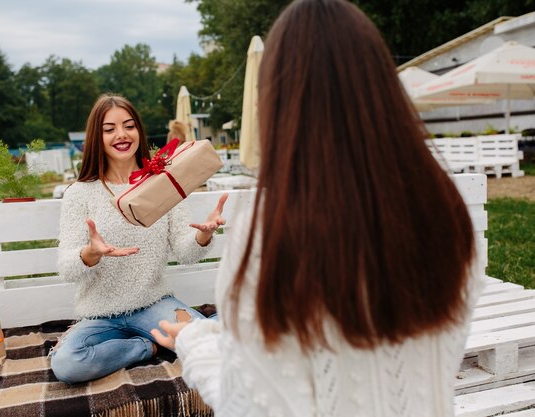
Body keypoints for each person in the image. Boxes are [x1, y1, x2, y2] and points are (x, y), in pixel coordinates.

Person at [151, 0, 484, 416]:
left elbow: (253, 406)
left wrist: (193, 343)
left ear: (276, 102)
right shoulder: (445, 214)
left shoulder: (270, 234)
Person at [50, 94, 227, 384]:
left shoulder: (164, 183)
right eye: (110, 129)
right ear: (98, 137)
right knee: (68, 364)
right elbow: (67, 268)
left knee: (211, 342)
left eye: (129, 126)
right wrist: (91, 253)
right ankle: (148, 346)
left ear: (139, 131)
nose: (121, 135)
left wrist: (203, 235)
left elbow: (185, 252)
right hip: (100, 317)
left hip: (153, 305)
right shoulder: (79, 193)